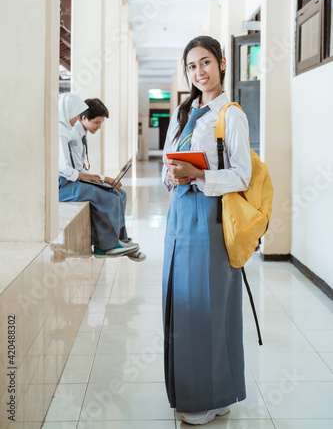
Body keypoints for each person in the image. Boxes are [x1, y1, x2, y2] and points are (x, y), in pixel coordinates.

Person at [162, 36, 252, 425]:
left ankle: (210, 397)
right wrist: (172, 177)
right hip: (179, 218)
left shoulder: (230, 114)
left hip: (210, 221)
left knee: (209, 308)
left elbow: (242, 175)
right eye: (191, 66)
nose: (199, 72)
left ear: (221, 64)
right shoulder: (181, 114)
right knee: (181, 307)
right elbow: (168, 169)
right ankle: (197, 393)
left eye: (205, 63)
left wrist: (199, 175)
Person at [58, 92, 142, 260]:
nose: (75, 120)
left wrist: (102, 179)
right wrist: (96, 179)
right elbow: (65, 168)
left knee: (119, 193)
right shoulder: (66, 133)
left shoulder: (69, 132)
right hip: (62, 185)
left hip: (70, 179)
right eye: (96, 122)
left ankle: (119, 239)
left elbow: (77, 167)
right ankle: (106, 246)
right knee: (106, 196)